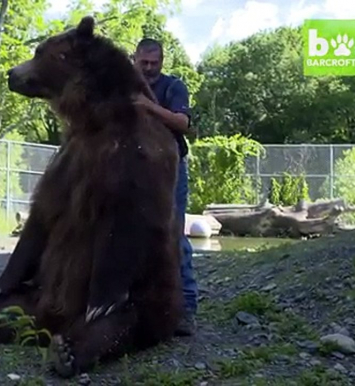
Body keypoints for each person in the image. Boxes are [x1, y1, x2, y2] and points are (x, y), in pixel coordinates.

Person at [132, 38, 199, 336]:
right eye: (143, 63)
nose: (148, 69)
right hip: (133, 169)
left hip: (170, 170)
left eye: (154, 63)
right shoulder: (123, 86)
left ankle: (186, 308)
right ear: (134, 60)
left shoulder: (173, 87)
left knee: (174, 234)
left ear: (162, 62)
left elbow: (182, 122)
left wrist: (147, 106)